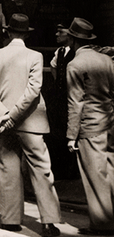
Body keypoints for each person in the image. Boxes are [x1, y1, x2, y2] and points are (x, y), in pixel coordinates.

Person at [0, 13, 61, 237]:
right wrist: (14, 116)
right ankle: (48, 223)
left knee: (7, 170)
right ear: (26, 34)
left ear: (7, 32)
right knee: (41, 170)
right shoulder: (35, 56)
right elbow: (33, 91)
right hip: (31, 122)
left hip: (2, 123)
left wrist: (3, 115)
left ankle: (11, 221)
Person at [64, 17, 114, 236]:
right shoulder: (107, 60)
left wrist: (71, 135)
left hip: (90, 126)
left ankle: (102, 224)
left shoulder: (75, 65)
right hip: (109, 123)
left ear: (73, 40)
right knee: (110, 172)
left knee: (94, 175)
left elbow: (76, 103)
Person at [49, 23, 78, 179]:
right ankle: (59, 170)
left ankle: (71, 172)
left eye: (60, 32)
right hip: (58, 99)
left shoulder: (76, 53)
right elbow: (53, 66)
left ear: (70, 35)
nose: (57, 34)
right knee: (57, 133)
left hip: (71, 99)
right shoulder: (59, 52)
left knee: (70, 133)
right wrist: (58, 82)